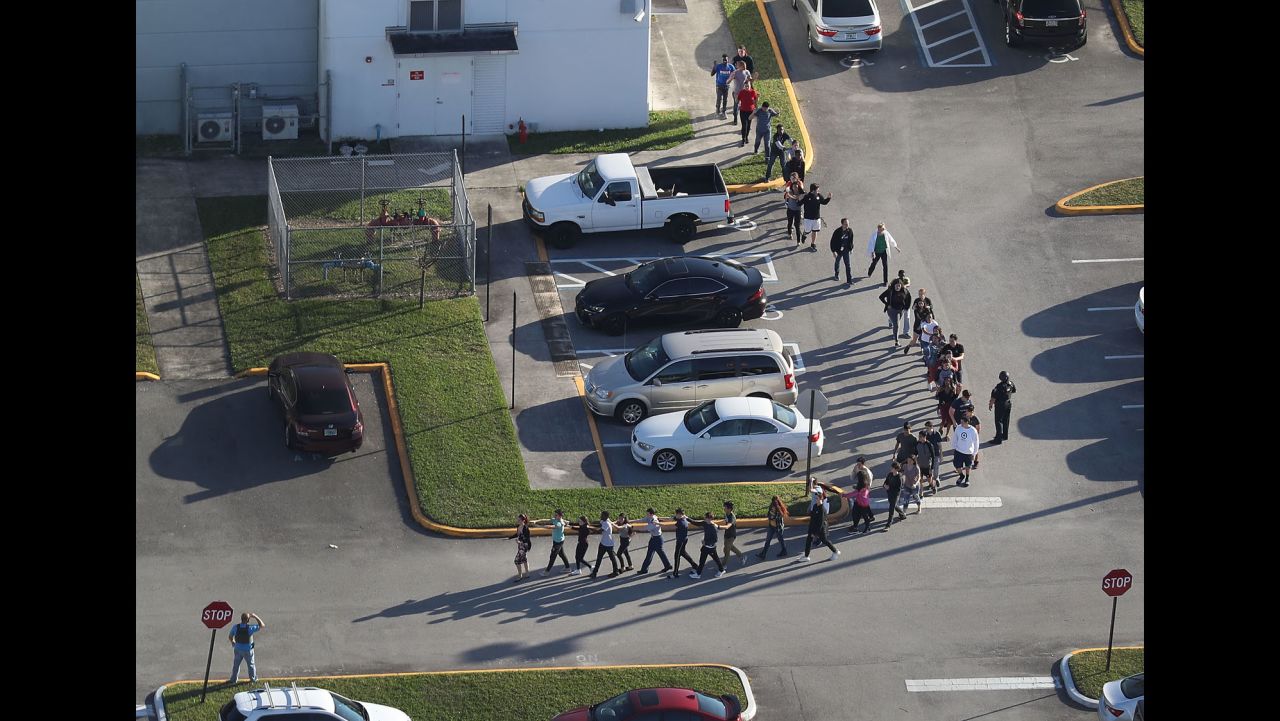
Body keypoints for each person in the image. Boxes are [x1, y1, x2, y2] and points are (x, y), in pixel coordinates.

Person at [799, 486, 839, 561]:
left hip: (820, 529)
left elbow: (820, 522)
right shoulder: (815, 506)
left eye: (816, 497)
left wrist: (815, 533)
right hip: (813, 527)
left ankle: (835, 551)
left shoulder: (822, 509)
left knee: (825, 540)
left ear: (820, 498)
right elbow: (813, 519)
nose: (814, 498)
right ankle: (806, 556)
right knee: (808, 540)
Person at [227, 612, 265, 684]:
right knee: (251, 665)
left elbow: (230, 636)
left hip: (238, 649)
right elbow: (262, 625)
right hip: (248, 650)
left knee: (236, 665)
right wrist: (255, 616)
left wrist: (233, 642)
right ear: (248, 620)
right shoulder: (250, 628)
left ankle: (233, 679)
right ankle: (253, 679)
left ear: (241, 619)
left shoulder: (235, 627)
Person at [637, 508, 674, 575]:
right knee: (651, 554)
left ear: (651, 514)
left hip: (657, 539)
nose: (646, 515)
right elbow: (642, 520)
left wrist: (633, 528)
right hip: (654, 538)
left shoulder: (654, 521)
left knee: (658, 553)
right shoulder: (650, 517)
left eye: (647, 514)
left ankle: (667, 566)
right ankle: (644, 569)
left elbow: (645, 528)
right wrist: (630, 521)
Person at [689, 512, 726, 578]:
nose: (705, 519)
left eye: (706, 518)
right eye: (705, 517)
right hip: (707, 547)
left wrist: (705, 542)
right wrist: (687, 518)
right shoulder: (705, 523)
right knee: (710, 559)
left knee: (705, 560)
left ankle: (698, 574)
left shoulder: (713, 527)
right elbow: (696, 523)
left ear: (710, 519)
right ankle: (721, 570)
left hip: (710, 547)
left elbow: (715, 540)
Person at [536, 509, 571, 576]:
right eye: (554, 514)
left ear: (560, 516)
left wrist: (539, 526)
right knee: (561, 554)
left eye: (556, 515)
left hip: (558, 542)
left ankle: (547, 572)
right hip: (558, 540)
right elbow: (546, 520)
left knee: (552, 556)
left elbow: (550, 527)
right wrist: (537, 520)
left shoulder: (559, 523)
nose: (554, 515)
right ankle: (568, 568)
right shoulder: (556, 519)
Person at [879, 279, 912, 347]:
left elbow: (909, 298)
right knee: (896, 325)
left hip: (900, 311)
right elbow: (881, 297)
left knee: (895, 322)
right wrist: (887, 304)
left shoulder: (904, 291)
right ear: (894, 286)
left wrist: (906, 308)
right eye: (896, 286)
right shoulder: (890, 291)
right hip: (892, 310)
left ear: (901, 286)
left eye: (899, 286)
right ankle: (896, 341)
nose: (897, 287)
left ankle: (890, 321)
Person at [866, 222, 901, 287]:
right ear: (878, 229)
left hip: (883, 252)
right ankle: (869, 272)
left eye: (882, 229)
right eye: (880, 229)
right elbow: (871, 244)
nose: (881, 231)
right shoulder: (874, 235)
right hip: (877, 252)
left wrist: (896, 247)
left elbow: (891, 240)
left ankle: (885, 281)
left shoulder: (886, 233)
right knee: (874, 263)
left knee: (885, 266)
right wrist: (872, 252)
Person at [800, 183, 833, 249]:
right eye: (817, 189)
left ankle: (813, 243)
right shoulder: (807, 196)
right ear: (813, 190)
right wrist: (798, 199)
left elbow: (824, 202)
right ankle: (804, 235)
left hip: (816, 218)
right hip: (808, 218)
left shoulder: (819, 196)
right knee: (807, 231)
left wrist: (829, 198)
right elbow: (799, 203)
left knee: (814, 231)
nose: (818, 191)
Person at [589, 511, 621, 578]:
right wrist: (591, 524)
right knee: (599, 558)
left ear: (606, 517)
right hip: (603, 543)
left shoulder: (606, 523)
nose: (601, 516)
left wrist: (589, 527)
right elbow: (599, 523)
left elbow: (599, 531)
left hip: (608, 544)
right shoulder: (604, 521)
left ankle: (616, 571)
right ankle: (594, 572)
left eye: (602, 515)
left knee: (612, 558)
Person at [988, 371, 1017, 444]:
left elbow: (993, 397)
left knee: (998, 421)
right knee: (1006, 420)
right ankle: (1005, 435)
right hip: (1008, 403)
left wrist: (990, 404)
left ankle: (998, 439)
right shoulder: (1011, 383)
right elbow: (1014, 391)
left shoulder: (999, 386)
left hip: (1000, 405)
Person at [951, 415, 979, 486]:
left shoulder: (973, 430)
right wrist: (954, 447)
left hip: (968, 452)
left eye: (962, 422)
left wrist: (974, 454)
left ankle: (967, 478)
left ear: (967, 422)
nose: (961, 424)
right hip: (959, 451)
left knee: (968, 466)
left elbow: (976, 442)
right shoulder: (958, 428)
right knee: (956, 465)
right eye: (961, 422)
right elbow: (955, 438)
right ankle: (961, 475)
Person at [670, 508, 698, 578]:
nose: (675, 515)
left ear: (679, 514)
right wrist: (660, 518)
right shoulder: (683, 519)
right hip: (684, 539)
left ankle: (675, 573)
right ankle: (695, 566)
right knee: (683, 553)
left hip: (681, 541)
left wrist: (658, 523)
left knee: (677, 556)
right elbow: (673, 518)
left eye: (676, 514)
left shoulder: (681, 523)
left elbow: (671, 526)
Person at [882, 462, 907, 530]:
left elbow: (898, 489)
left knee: (891, 508)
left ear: (896, 469)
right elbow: (886, 482)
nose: (890, 468)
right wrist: (884, 485)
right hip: (889, 493)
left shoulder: (899, 477)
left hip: (895, 495)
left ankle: (888, 525)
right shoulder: (890, 474)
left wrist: (889, 488)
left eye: (892, 468)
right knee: (894, 505)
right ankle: (902, 515)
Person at [830, 218, 855, 284]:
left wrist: (851, 248)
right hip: (839, 250)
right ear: (842, 224)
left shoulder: (850, 231)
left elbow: (851, 240)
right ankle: (836, 274)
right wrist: (833, 252)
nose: (847, 225)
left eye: (848, 224)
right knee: (837, 262)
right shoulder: (837, 232)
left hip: (846, 250)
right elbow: (832, 241)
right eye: (845, 224)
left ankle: (849, 280)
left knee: (848, 265)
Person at [722, 501, 746, 567]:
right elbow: (725, 521)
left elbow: (728, 526)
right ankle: (742, 557)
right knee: (729, 548)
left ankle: (722, 566)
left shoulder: (732, 517)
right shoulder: (726, 513)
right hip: (726, 534)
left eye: (725, 507)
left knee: (727, 551)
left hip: (731, 536)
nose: (724, 508)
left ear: (729, 509)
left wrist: (718, 527)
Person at [711, 54, 734, 119]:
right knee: (719, 99)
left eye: (726, 60)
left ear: (728, 60)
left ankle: (724, 111)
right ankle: (717, 111)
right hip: (719, 86)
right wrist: (714, 66)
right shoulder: (718, 66)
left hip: (726, 86)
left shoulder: (731, 67)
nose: (724, 61)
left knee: (725, 100)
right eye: (723, 60)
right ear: (722, 60)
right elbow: (712, 74)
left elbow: (734, 74)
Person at [509, 514, 532, 582]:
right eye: (517, 519)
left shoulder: (526, 528)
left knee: (517, 561)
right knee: (524, 559)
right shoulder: (518, 526)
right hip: (520, 545)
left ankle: (520, 575)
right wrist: (509, 538)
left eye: (519, 520)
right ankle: (527, 573)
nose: (517, 521)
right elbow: (517, 534)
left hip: (524, 545)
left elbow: (527, 538)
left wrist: (520, 541)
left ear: (523, 520)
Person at [783, 175, 805, 244]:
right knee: (790, 223)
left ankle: (798, 240)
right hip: (790, 210)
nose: (795, 188)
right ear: (792, 187)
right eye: (794, 187)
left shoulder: (801, 193)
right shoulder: (789, 192)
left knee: (797, 226)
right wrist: (787, 201)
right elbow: (788, 195)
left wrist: (798, 197)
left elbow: (803, 197)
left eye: (796, 187)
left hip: (797, 211)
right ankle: (789, 234)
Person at [736, 80, 759, 146]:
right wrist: (736, 99)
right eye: (745, 86)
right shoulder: (742, 92)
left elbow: (755, 101)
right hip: (743, 111)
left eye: (748, 86)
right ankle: (743, 139)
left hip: (750, 111)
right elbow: (738, 100)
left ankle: (746, 137)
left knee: (748, 125)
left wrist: (756, 109)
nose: (746, 87)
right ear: (744, 86)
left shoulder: (753, 92)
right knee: (744, 125)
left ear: (750, 85)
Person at [916, 429, 938, 496]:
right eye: (919, 436)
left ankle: (933, 486)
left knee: (929, 480)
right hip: (920, 466)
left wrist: (932, 468)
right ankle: (921, 493)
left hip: (927, 466)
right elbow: (915, 453)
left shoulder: (929, 445)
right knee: (920, 480)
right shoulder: (917, 444)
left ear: (924, 437)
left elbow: (933, 456)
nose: (919, 438)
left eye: (920, 436)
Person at [924, 421, 945, 490]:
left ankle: (936, 479)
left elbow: (940, 445)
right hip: (928, 455)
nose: (926, 430)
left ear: (931, 427)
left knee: (936, 468)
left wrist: (941, 455)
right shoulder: (926, 435)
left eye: (927, 428)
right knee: (930, 470)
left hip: (936, 454)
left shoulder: (937, 434)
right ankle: (932, 483)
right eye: (926, 428)